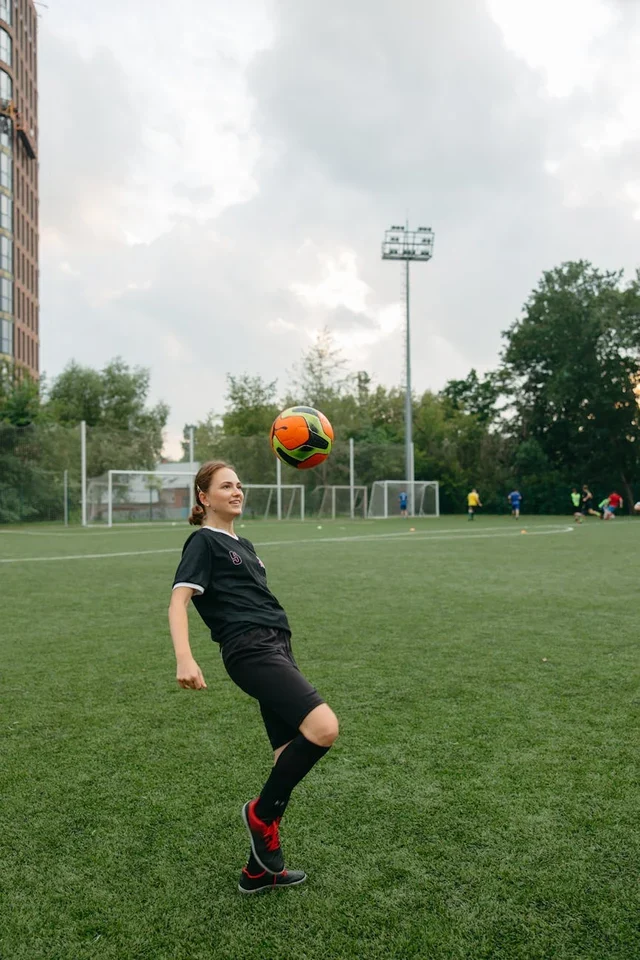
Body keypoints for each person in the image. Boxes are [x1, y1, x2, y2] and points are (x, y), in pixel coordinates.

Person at [168, 460, 339, 895]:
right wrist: (185, 658)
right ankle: (260, 815)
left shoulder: (244, 543)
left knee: (286, 756)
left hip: (277, 645)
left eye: (240, 485)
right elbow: (178, 602)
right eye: (227, 486)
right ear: (204, 497)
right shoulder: (202, 541)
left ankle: (258, 871)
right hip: (250, 648)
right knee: (323, 727)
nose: (237, 491)